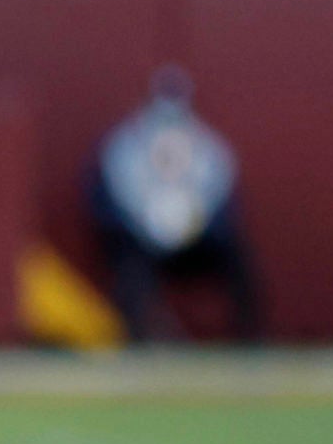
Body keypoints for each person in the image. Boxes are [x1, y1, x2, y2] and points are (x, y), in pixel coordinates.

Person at [87, 69, 263, 342]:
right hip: (141, 241)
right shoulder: (126, 147)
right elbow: (118, 195)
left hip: (197, 242)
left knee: (237, 259)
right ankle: (135, 341)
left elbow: (218, 193)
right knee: (130, 269)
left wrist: (191, 222)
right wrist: (148, 223)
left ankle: (251, 340)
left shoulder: (207, 148)